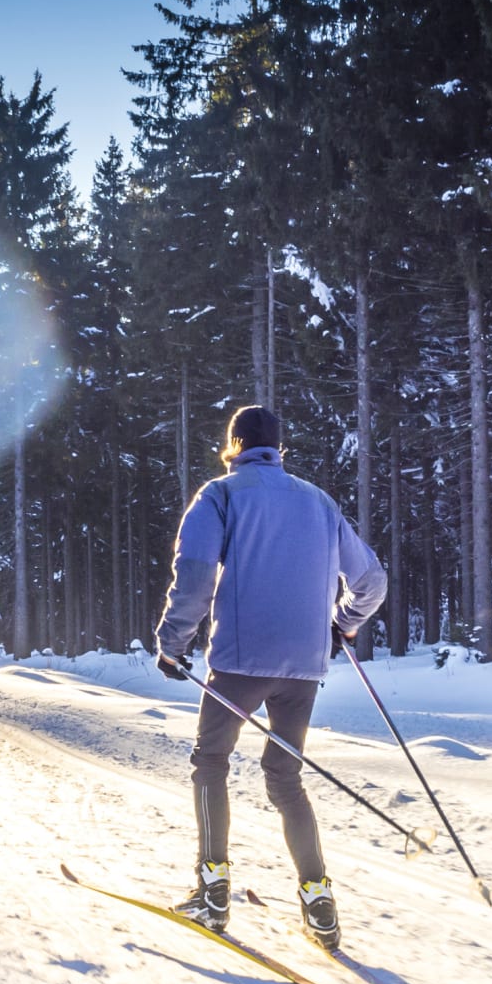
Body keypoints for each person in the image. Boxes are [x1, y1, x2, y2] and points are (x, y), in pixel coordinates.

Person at [155, 404, 387, 950]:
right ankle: (318, 901)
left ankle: (213, 893)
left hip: (238, 661)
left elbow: (193, 573)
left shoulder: (221, 494)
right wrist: (342, 626)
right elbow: (371, 581)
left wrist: (172, 642)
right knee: (285, 777)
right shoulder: (320, 501)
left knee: (210, 761)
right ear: (279, 449)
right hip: (304, 668)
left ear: (234, 444)